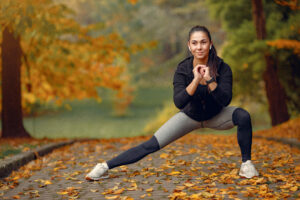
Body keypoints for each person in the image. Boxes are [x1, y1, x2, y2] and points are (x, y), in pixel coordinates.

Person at [85, 25, 259, 181]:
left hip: (216, 116)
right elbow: (179, 102)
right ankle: (104, 167)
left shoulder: (222, 67)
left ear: (210, 44)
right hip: (189, 116)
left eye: (203, 42)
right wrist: (196, 80)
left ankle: (246, 164)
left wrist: (210, 80)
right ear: (189, 46)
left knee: (243, 116)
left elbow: (225, 99)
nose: (199, 47)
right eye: (195, 43)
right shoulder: (183, 69)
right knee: (151, 145)